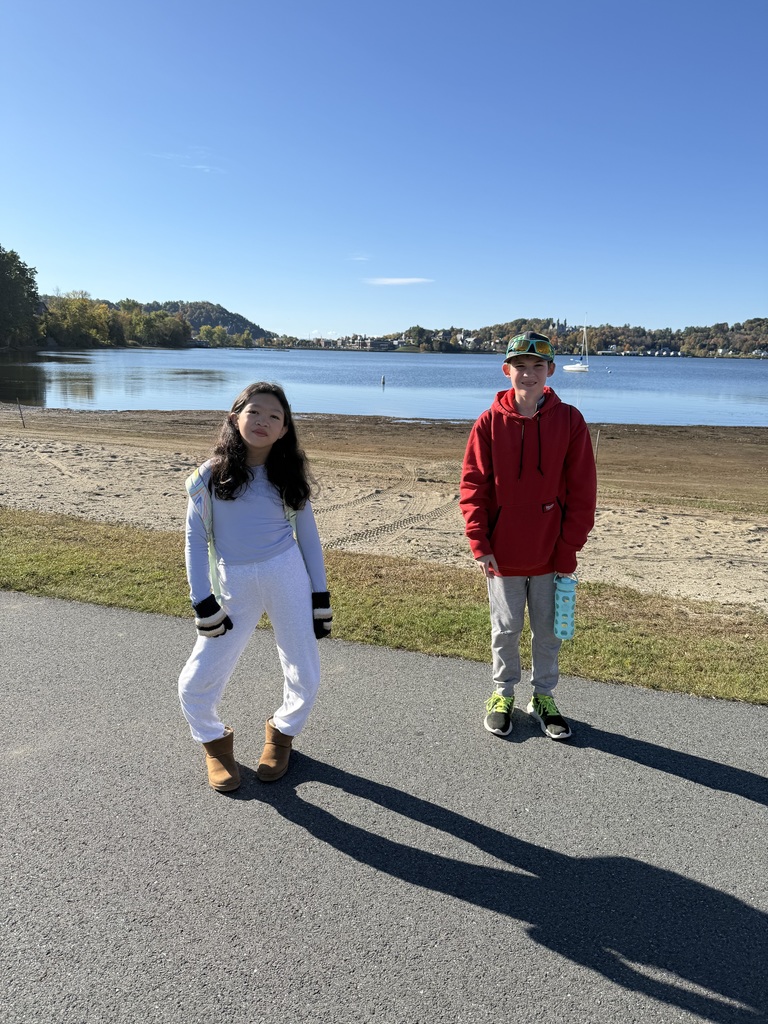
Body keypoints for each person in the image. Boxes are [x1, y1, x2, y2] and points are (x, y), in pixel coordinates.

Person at [178, 382, 332, 791]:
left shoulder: (289, 477)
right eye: (254, 412)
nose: (263, 421)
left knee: (305, 671)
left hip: (287, 575)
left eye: (274, 417)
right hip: (233, 583)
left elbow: (310, 539)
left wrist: (321, 596)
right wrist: (202, 601)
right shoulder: (207, 478)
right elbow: (195, 541)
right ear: (235, 418)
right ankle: (215, 744)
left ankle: (281, 735)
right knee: (196, 679)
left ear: (284, 430)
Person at [460, 332, 596, 740]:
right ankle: (502, 694)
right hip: (502, 553)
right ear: (507, 370)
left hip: (551, 552)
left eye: (538, 366)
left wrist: (569, 548)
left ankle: (543, 697)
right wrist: (480, 544)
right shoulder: (488, 422)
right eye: (521, 365)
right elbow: (474, 487)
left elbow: (582, 490)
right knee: (505, 628)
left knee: (548, 631)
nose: (529, 373)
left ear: (551, 371)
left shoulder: (570, 420)